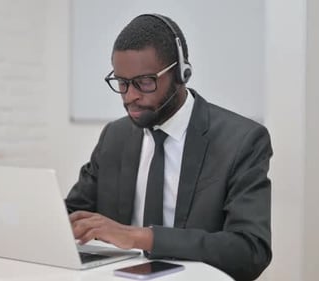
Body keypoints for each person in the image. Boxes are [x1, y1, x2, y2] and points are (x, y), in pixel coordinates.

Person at [65, 14, 272, 281]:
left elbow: (250, 252)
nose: (130, 96)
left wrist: (140, 236)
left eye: (145, 82)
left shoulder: (242, 141)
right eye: (122, 83)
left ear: (181, 73)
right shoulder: (115, 137)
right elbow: (72, 216)